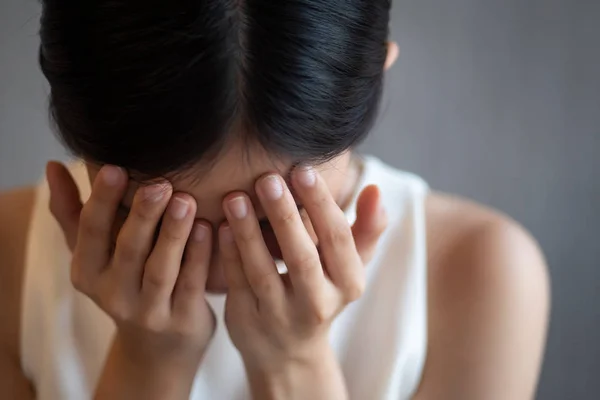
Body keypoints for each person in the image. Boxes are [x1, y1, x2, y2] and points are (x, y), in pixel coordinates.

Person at [0, 1, 550, 399]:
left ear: (372, 81)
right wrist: (148, 366)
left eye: (267, 222)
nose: (214, 274)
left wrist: (295, 367)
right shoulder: (8, 264)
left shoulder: (480, 275)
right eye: (160, 221)